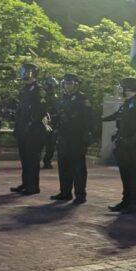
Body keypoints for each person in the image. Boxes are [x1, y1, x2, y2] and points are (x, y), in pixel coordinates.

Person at [102, 77, 136, 214]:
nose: (124, 91)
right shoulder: (126, 104)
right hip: (123, 144)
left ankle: (133, 204)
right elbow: (116, 116)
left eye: (125, 88)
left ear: (131, 89)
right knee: (125, 174)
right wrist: (101, 119)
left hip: (133, 145)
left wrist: (134, 140)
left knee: (133, 175)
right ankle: (125, 201)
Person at [50, 73, 92, 203]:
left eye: (70, 83)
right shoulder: (63, 98)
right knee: (64, 166)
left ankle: (80, 194)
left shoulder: (81, 98)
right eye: (66, 83)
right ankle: (65, 192)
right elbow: (57, 114)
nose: (67, 86)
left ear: (76, 84)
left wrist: (85, 132)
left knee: (78, 167)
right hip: (64, 136)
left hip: (76, 136)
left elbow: (88, 117)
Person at [11, 63, 48, 195]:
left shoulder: (39, 90)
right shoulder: (24, 90)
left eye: (26, 71)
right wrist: (17, 127)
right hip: (23, 129)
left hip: (34, 130)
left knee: (32, 159)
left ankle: (33, 186)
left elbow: (41, 111)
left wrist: (32, 124)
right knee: (24, 158)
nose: (24, 73)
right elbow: (20, 111)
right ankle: (26, 183)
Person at [41, 76, 58, 169]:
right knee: (40, 143)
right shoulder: (42, 96)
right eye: (50, 86)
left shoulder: (55, 97)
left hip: (51, 122)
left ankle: (47, 162)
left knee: (50, 144)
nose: (52, 88)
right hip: (42, 121)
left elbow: (57, 110)